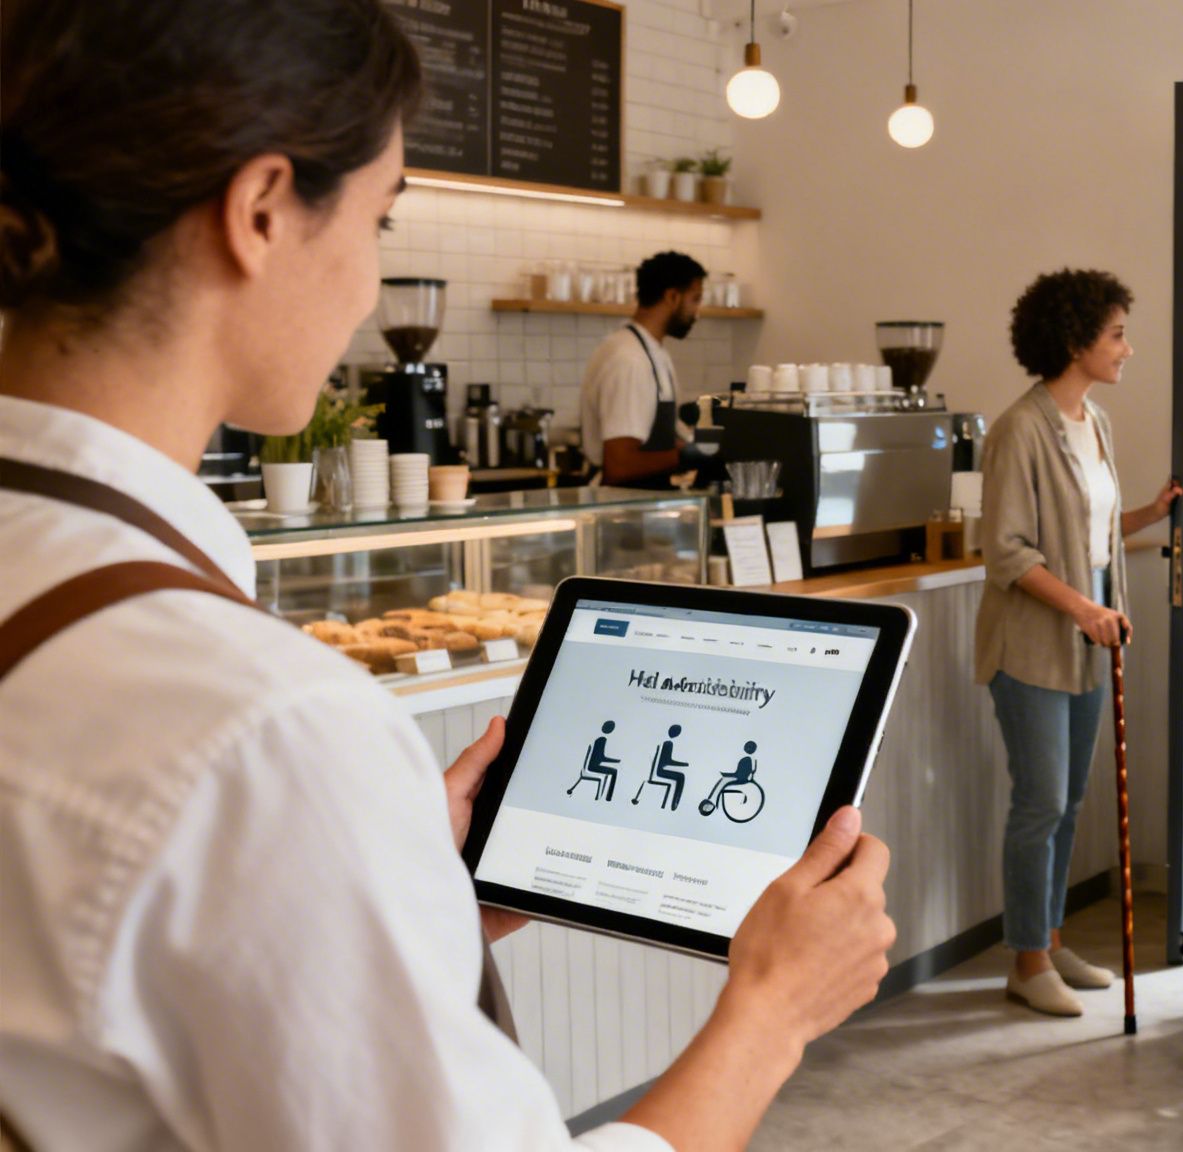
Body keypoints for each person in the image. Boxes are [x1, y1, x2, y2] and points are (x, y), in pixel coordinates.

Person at [0, 2, 893, 1148]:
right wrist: (773, 1011)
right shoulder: (263, 732)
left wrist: (389, 894)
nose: (371, 288)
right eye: (378, 218)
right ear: (262, 211)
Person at [976, 268, 1180, 1017]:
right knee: (1040, 802)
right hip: (1032, 646)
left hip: (1090, 642)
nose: (1128, 348)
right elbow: (1009, 552)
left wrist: (1150, 514)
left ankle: (1051, 938)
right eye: (1117, 334)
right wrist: (1083, 611)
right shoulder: (1018, 429)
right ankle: (1025, 962)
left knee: (1069, 802)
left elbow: (1085, 534)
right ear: (1074, 341)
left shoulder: (1095, 423)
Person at [579, 250, 713, 489]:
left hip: (644, 503)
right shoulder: (629, 360)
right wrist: (685, 455)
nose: (698, 313)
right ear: (672, 296)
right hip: (620, 509)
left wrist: (695, 445)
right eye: (695, 299)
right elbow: (619, 465)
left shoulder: (653, 352)